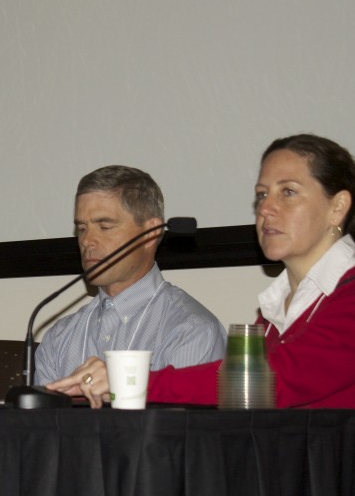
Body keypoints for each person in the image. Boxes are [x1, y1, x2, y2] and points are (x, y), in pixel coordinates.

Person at [48, 135, 355, 496]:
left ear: (337, 208)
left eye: (287, 192)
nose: (266, 209)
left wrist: (129, 380)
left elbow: (275, 382)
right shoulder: (273, 316)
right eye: (261, 195)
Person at [35, 165, 226, 385]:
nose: (87, 241)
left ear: (151, 232)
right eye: (82, 229)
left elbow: (180, 420)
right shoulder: (59, 338)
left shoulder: (192, 332)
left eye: (104, 226)